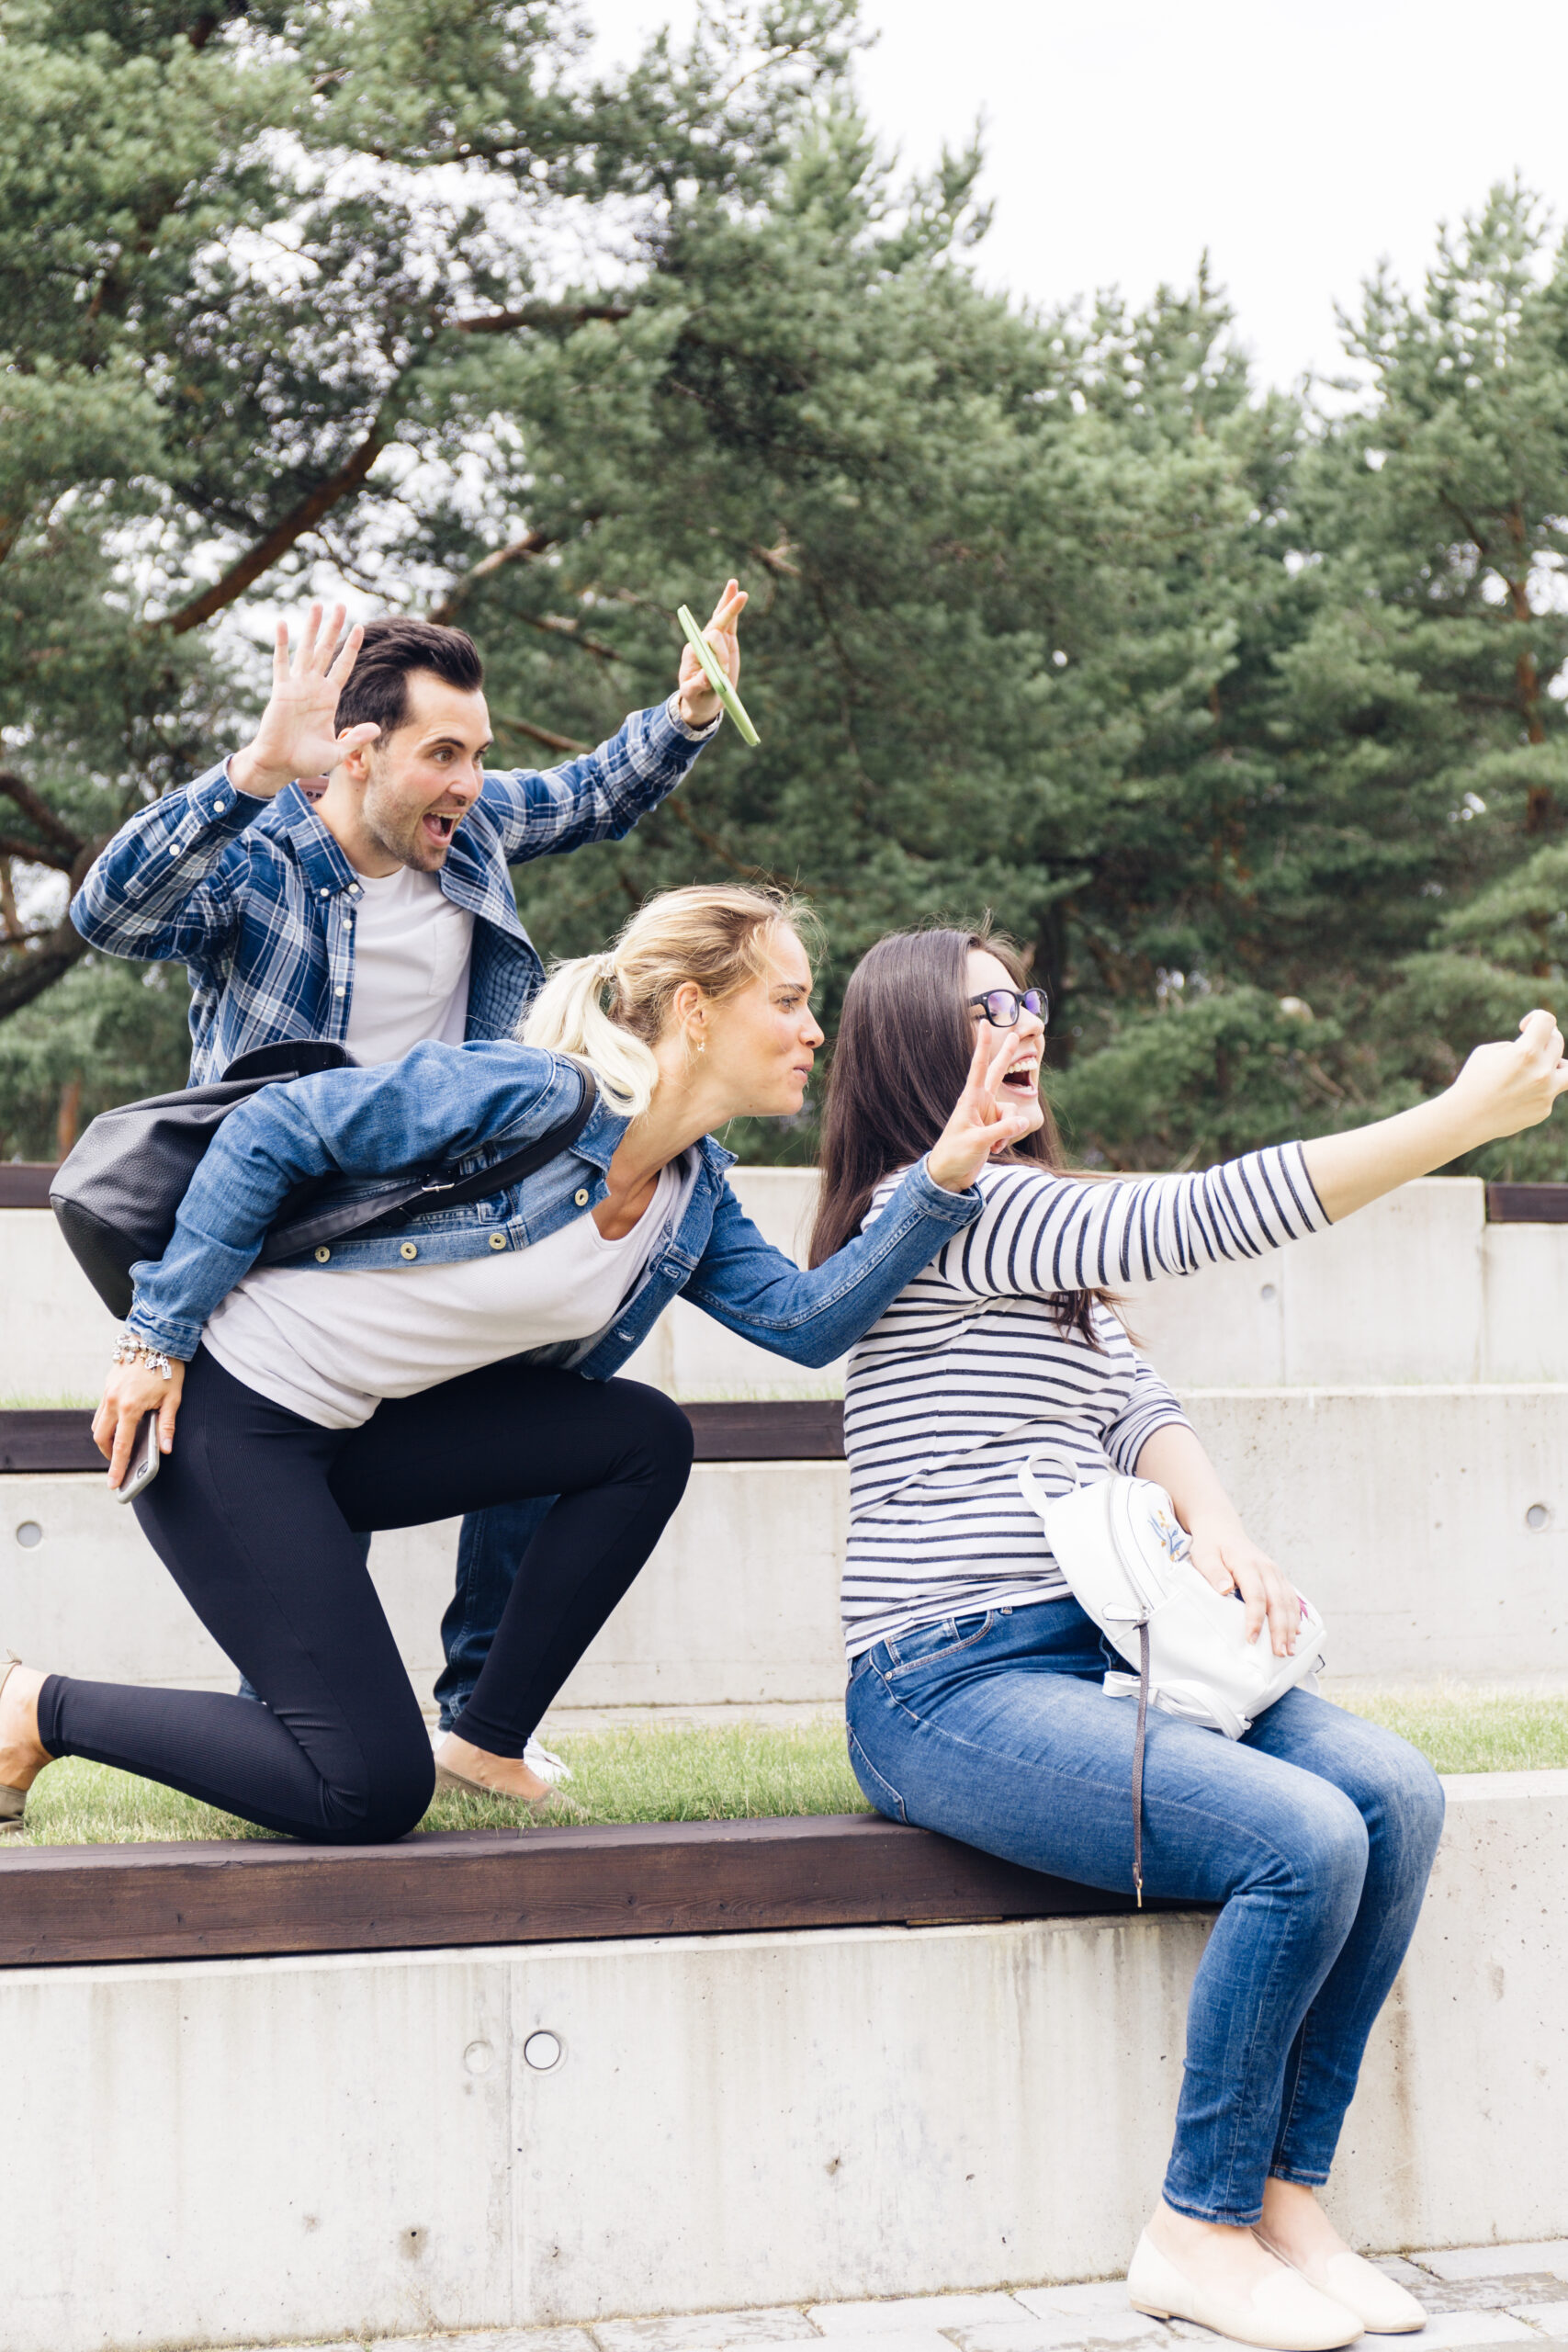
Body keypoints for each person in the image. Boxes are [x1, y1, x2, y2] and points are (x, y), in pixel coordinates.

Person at [809, 926, 1568, 2352]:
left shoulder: (1023, 1227)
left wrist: (1217, 1524)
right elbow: (1198, 1217)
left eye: (1023, 998)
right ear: (915, 1047)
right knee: (1302, 1840)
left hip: (1094, 1648)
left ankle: (1284, 2201)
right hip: (940, 1678)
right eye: (983, 1009)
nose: (1019, 1023)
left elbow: (1130, 1393)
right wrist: (1455, 1121)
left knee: (1394, 1797)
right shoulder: (946, 1213)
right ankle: (1194, 2228)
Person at [0, 888, 1036, 1842]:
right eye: (791, 999)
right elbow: (273, 1128)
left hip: (357, 1436)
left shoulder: (690, 1192)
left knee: (641, 1437)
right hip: (226, 1421)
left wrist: (942, 1178)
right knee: (365, 1786)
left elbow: (806, 1325)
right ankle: (36, 1707)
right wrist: (156, 1336)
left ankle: (485, 1740)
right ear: (695, 1009)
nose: (817, 1031)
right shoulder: (534, 1094)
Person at [70, 588, 747, 1761]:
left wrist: (682, 716)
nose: (470, 781)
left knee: (548, 1387)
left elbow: (586, 794)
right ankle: (282, 1718)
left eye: (477, 754)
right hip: (283, 1234)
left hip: (439, 1220)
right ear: (354, 750)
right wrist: (246, 772)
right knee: (319, 1485)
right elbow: (107, 914)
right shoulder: (263, 859)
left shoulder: (466, 829)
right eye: (444, 753)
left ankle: (478, 1717)